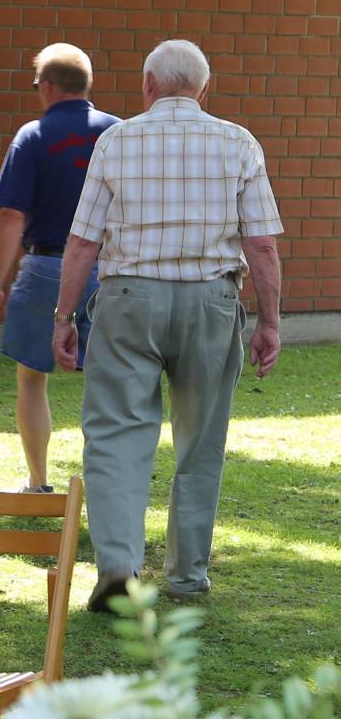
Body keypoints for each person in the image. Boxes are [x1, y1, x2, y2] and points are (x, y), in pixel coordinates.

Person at [52, 40, 283, 611]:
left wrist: (63, 316)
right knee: (200, 440)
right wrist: (271, 322)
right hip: (211, 300)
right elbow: (261, 244)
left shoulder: (115, 141)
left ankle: (118, 568)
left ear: (147, 86)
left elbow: (83, 240)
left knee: (114, 435)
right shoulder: (239, 143)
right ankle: (186, 576)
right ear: (205, 90)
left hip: (129, 297)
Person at [0, 44, 119, 494]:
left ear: (47, 86)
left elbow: (10, 216)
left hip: (46, 266)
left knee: (32, 377)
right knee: (109, 383)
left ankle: (39, 482)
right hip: (111, 271)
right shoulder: (119, 133)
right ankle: (104, 487)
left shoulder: (32, 135)